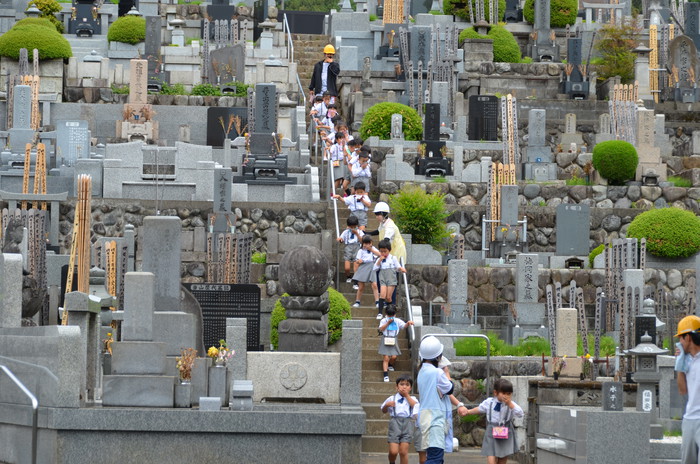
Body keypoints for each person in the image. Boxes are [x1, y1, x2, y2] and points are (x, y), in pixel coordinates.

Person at [416, 336, 467, 464]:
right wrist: (446, 371)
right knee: (435, 458)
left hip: (426, 417)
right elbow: (450, 388)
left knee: (434, 456)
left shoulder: (422, 371)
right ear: (438, 356)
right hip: (436, 420)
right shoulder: (437, 373)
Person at [463, 378, 524, 464]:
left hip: (505, 430)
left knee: (502, 459)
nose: (506, 396)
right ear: (495, 393)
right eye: (503, 393)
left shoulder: (511, 404)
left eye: (509, 394)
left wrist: (510, 404)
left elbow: (520, 413)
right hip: (492, 431)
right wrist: (468, 412)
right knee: (491, 458)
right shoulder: (489, 402)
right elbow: (480, 409)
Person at [381, 374, 420, 464]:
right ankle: (392, 461)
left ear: (410, 388)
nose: (404, 387)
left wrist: (407, 396)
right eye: (401, 384)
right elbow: (383, 410)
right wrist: (387, 405)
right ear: (396, 387)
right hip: (395, 423)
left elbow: (415, 406)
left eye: (407, 385)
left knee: (403, 452)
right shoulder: (392, 398)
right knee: (393, 451)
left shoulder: (412, 398)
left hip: (408, 423)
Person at [677, 315, 700, 464]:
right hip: (690, 419)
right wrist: (679, 367)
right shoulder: (687, 361)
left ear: (688, 338)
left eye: (680, 338)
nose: (679, 342)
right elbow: (683, 390)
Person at [378, 305, 413, 382]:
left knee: (394, 357)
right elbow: (381, 329)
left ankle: (390, 365)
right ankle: (385, 375)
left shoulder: (397, 320)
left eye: (392, 315)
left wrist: (408, 323)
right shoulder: (383, 320)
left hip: (394, 339)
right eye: (389, 315)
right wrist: (387, 323)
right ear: (386, 314)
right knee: (386, 358)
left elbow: (403, 326)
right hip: (385, 338)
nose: (391, 316)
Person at [374, 238, 406, 319]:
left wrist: (401, 269)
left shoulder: (393, 258)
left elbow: (398, 267)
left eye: (385, 251)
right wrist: (379, 261)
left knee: (388, 297)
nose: (383, 253)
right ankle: (380, 312)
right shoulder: (379, 259)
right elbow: (375, 268)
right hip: (383, 278)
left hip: (391, 278)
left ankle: (390, 313)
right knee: (382, 294)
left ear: (389, 250)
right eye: (381, 251)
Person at [352, 235, 380, 308]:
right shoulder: (361, 250)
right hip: (363, 266)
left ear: (371, 243)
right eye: (365, 243)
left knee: (374, 284)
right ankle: (357, 301)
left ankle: (377, 301)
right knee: (361, 286)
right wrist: (359, 261)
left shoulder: (373, 249)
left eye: (368, 243)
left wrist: (371, 249)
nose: (366, 245)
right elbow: (357, 260)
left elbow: (379, 254)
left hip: (371, 266)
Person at [336, 215, 363, 284]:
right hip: (348, 248)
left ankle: (356, 281)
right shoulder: (346, 232)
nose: (353, 228)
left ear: (357, 225)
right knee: (347, 268)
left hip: (357, 248)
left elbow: (362, 241)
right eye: (351, 227)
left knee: (355, 266)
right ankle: (348, 276)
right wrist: (340, 239)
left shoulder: (360, 232)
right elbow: (342, 239)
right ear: (348, 226)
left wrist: (357, 234)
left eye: (354, 227)